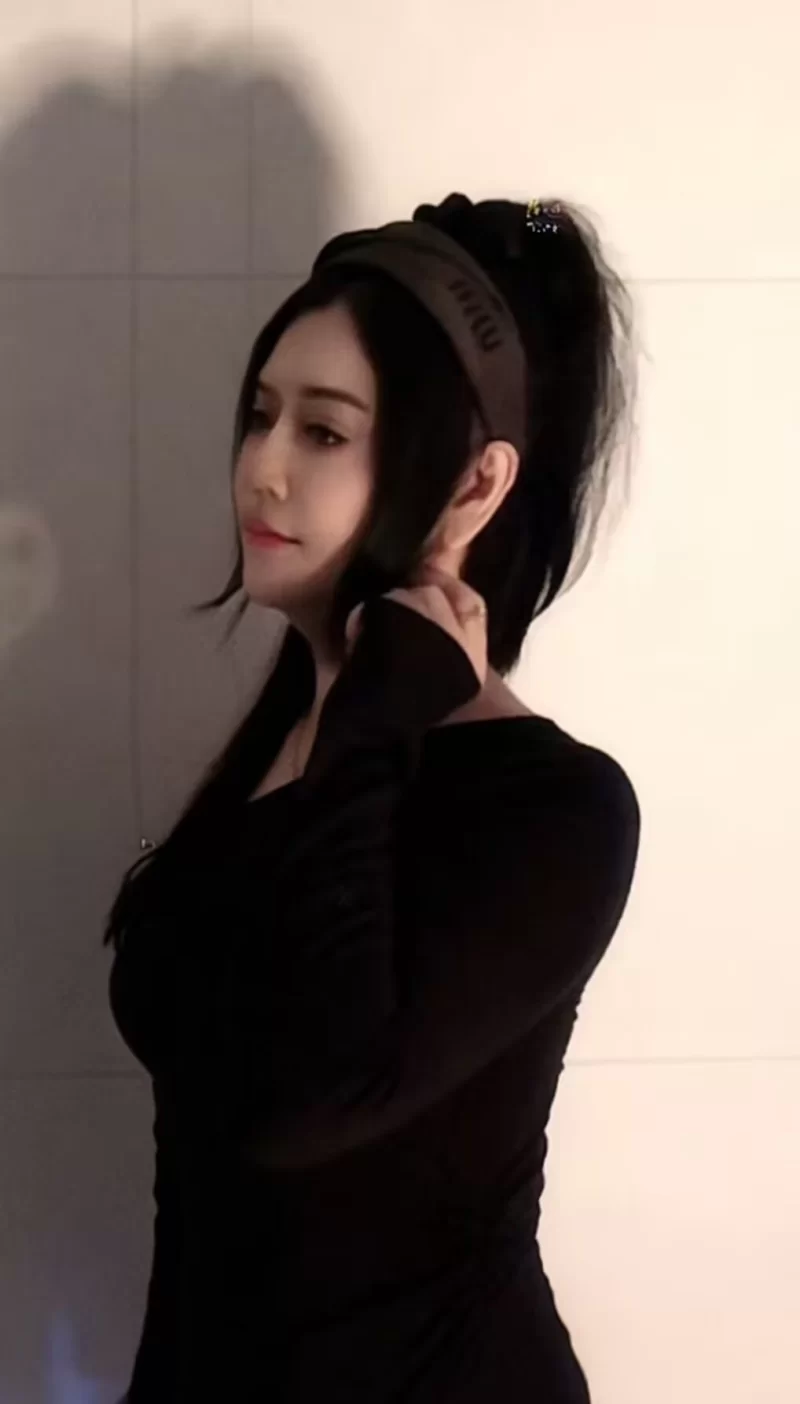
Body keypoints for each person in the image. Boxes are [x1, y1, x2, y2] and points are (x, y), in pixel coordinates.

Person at [103, 191, 643, 1402]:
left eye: (324, 432)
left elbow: (310, 1096)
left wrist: (372, 724)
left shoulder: (557, 813)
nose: (263, 470)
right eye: (259, 416)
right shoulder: (283, 745)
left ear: (474, 484)